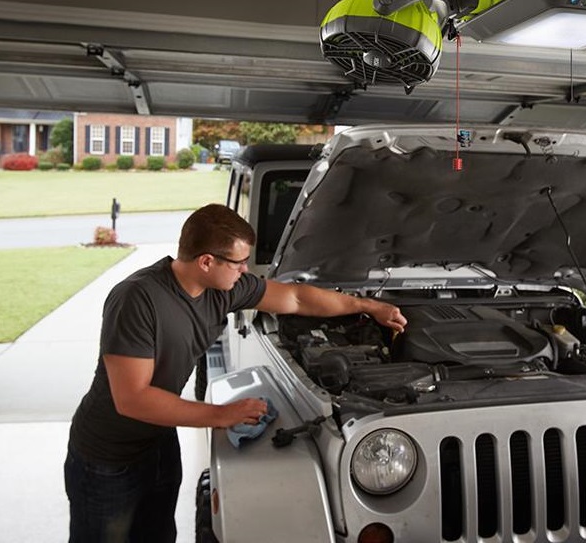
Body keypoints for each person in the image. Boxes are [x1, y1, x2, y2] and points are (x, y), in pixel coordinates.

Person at [64, 203, 406, 542]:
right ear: (207, 261)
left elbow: (297, 299)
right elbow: (133, 400)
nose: (245, 270)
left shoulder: (222, 290)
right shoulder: (137, 299)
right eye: (239, 262)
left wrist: (367, 305)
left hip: (158, 444)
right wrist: (221, 414)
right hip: (108, 459)